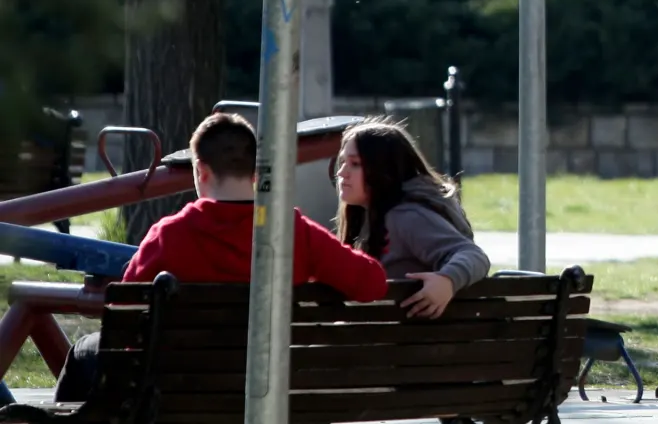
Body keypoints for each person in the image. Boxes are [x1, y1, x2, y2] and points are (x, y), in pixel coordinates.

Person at [52, 113, 388, 403]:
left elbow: (120, 324)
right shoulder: (293, 231)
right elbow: (372, 283)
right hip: (269, 389)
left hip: (177, 392)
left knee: (85, 351)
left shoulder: (169, 235)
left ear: (201, 170)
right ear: (256, 172)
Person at [335, 118, 491, 319]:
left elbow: (472, 255)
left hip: (414, 345)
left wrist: (447, 280)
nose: (342, 173)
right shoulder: (369, 217)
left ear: (384, 169)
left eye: (355, 164)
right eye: (342, 162)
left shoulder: (406, 217)